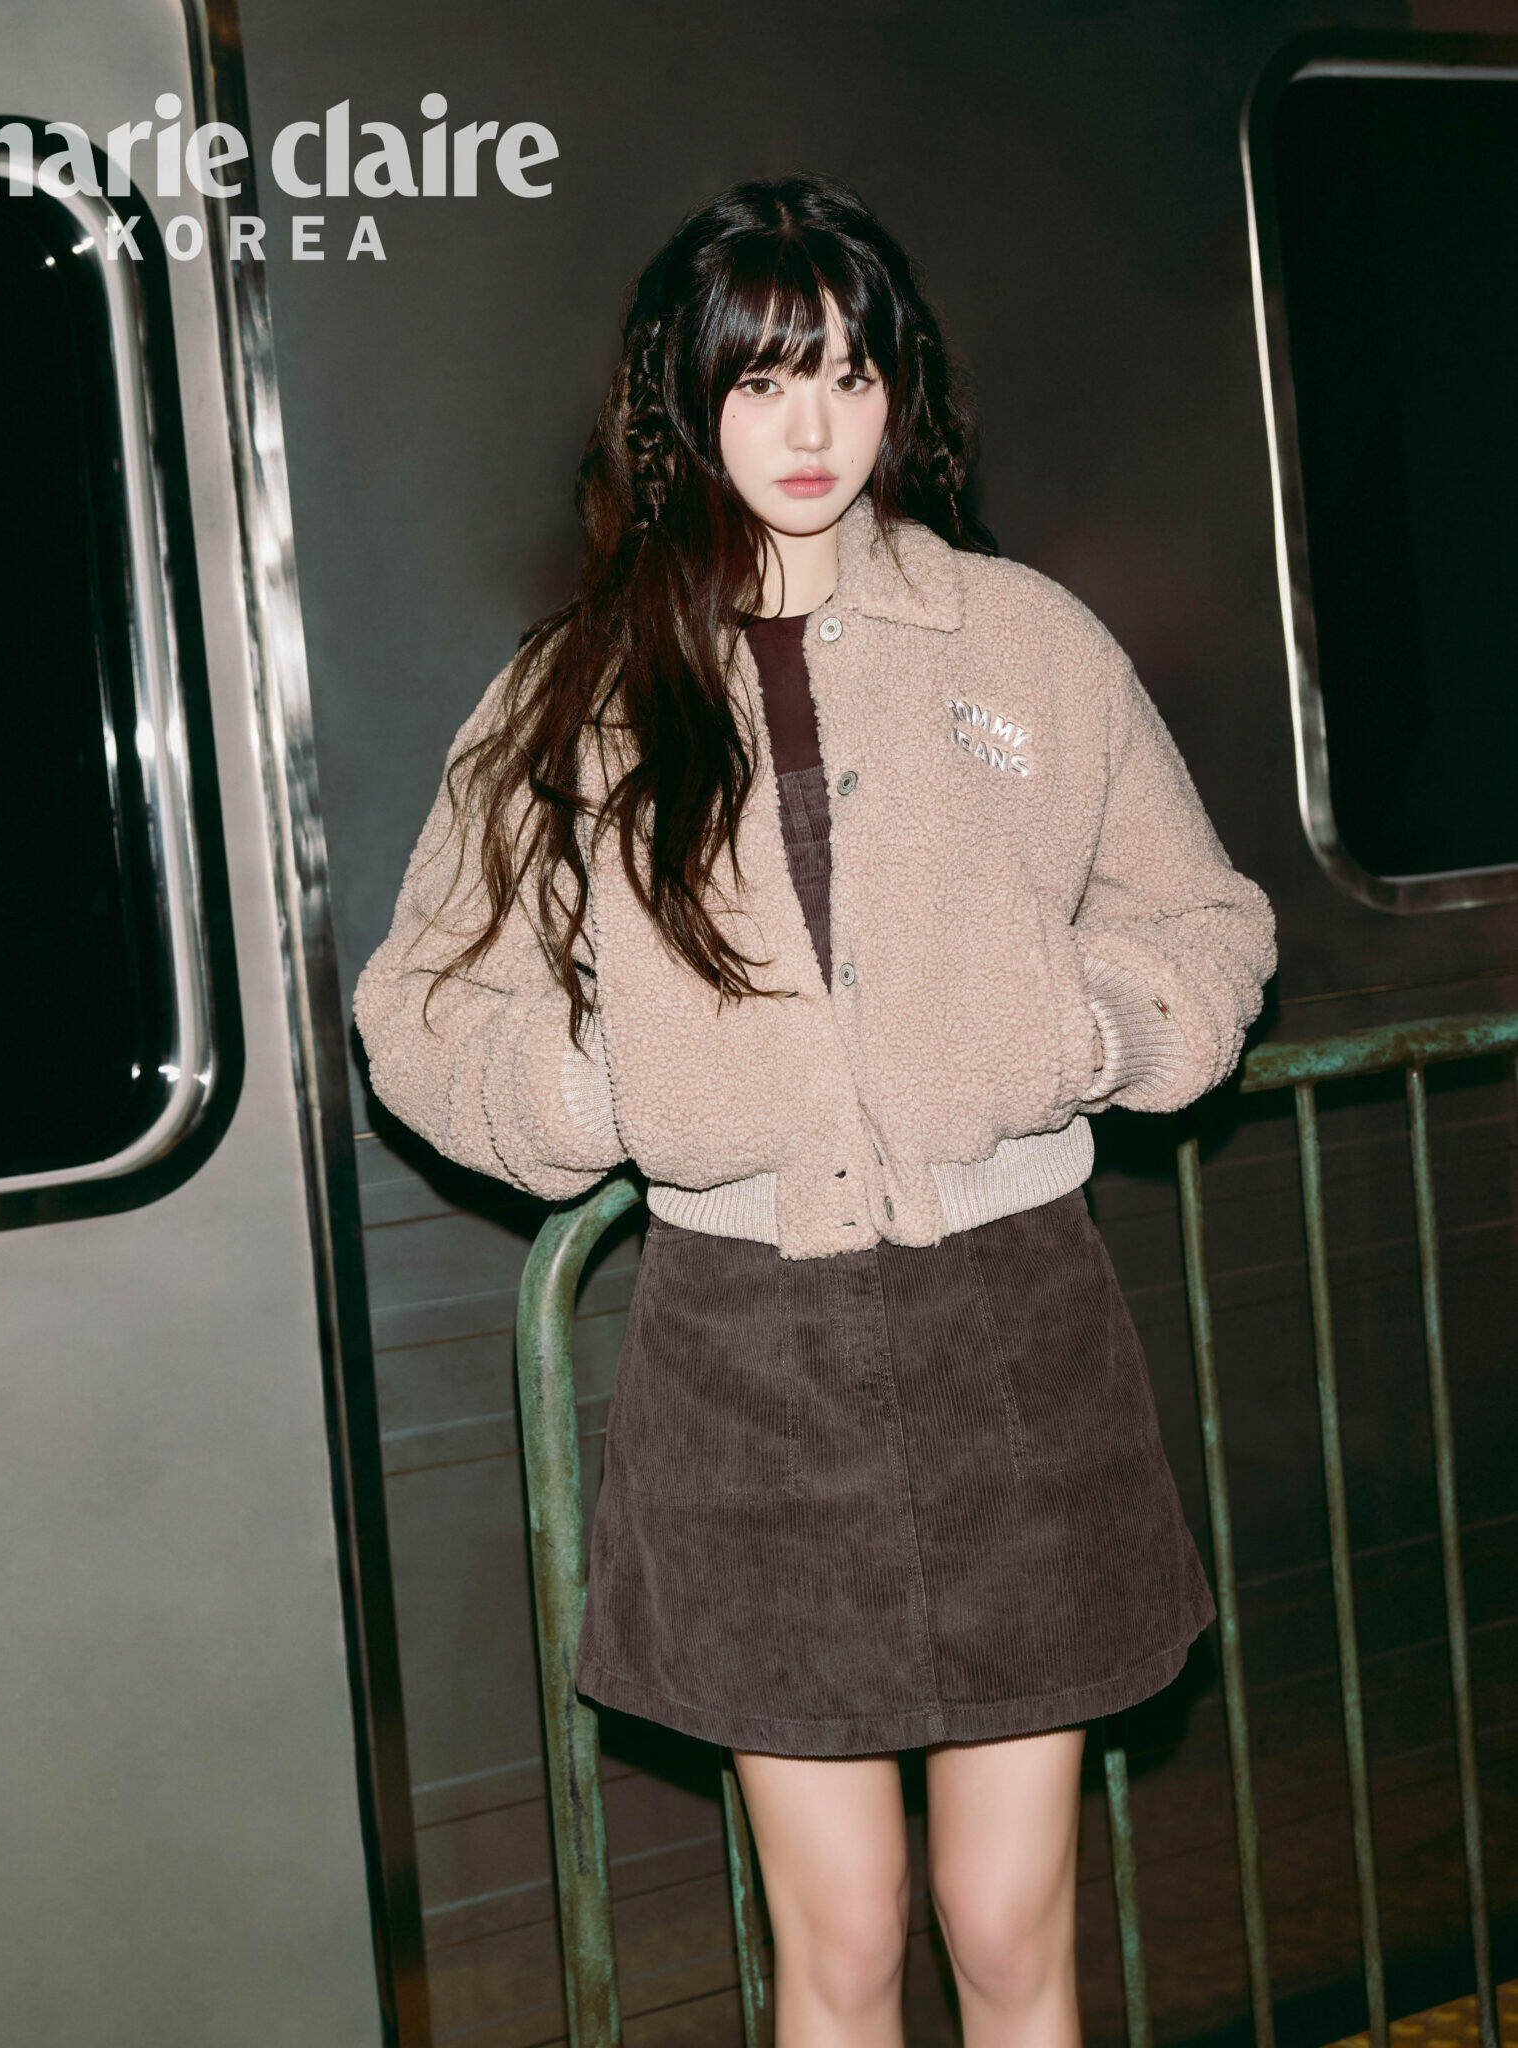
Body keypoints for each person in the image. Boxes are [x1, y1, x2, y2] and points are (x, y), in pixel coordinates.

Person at [354, 172, 1275, 2048]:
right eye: (763, 378)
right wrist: (608, 1087)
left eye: (850, 374)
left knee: (1011, 1932)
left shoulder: (1023, 640)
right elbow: (422, 1007)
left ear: (898, 393)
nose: (810, 424)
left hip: (1016, 1326)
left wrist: (1087, 1029)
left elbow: (1207, 919)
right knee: (838, 1947)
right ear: (681, 402)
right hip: (747, 1355)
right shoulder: (578, 688)